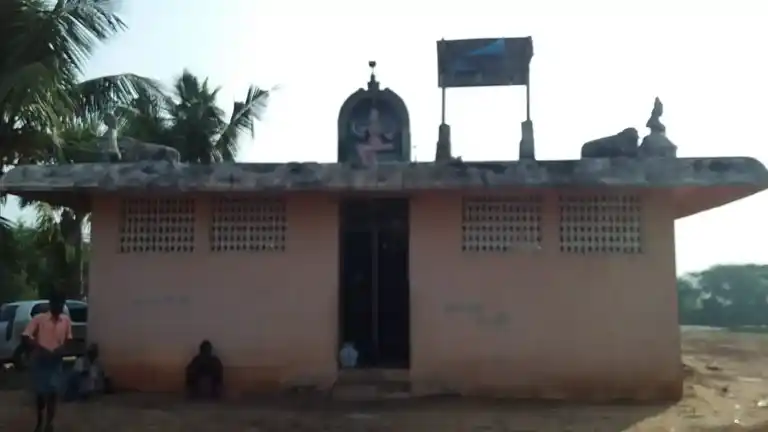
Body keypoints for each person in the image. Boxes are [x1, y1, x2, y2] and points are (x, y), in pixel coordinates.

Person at [22, 292, 72, 432]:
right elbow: (26, 335)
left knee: (53, 392)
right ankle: (39, 420)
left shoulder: (66, 321)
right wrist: (38, 347)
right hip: (41, 360)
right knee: (41, 394)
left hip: (55, 360)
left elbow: (68, 338)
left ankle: (49, 423)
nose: (60, 307)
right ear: (51, 305)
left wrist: (62, 348)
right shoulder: (39, 319)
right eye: (57, 304)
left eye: (62, 304)